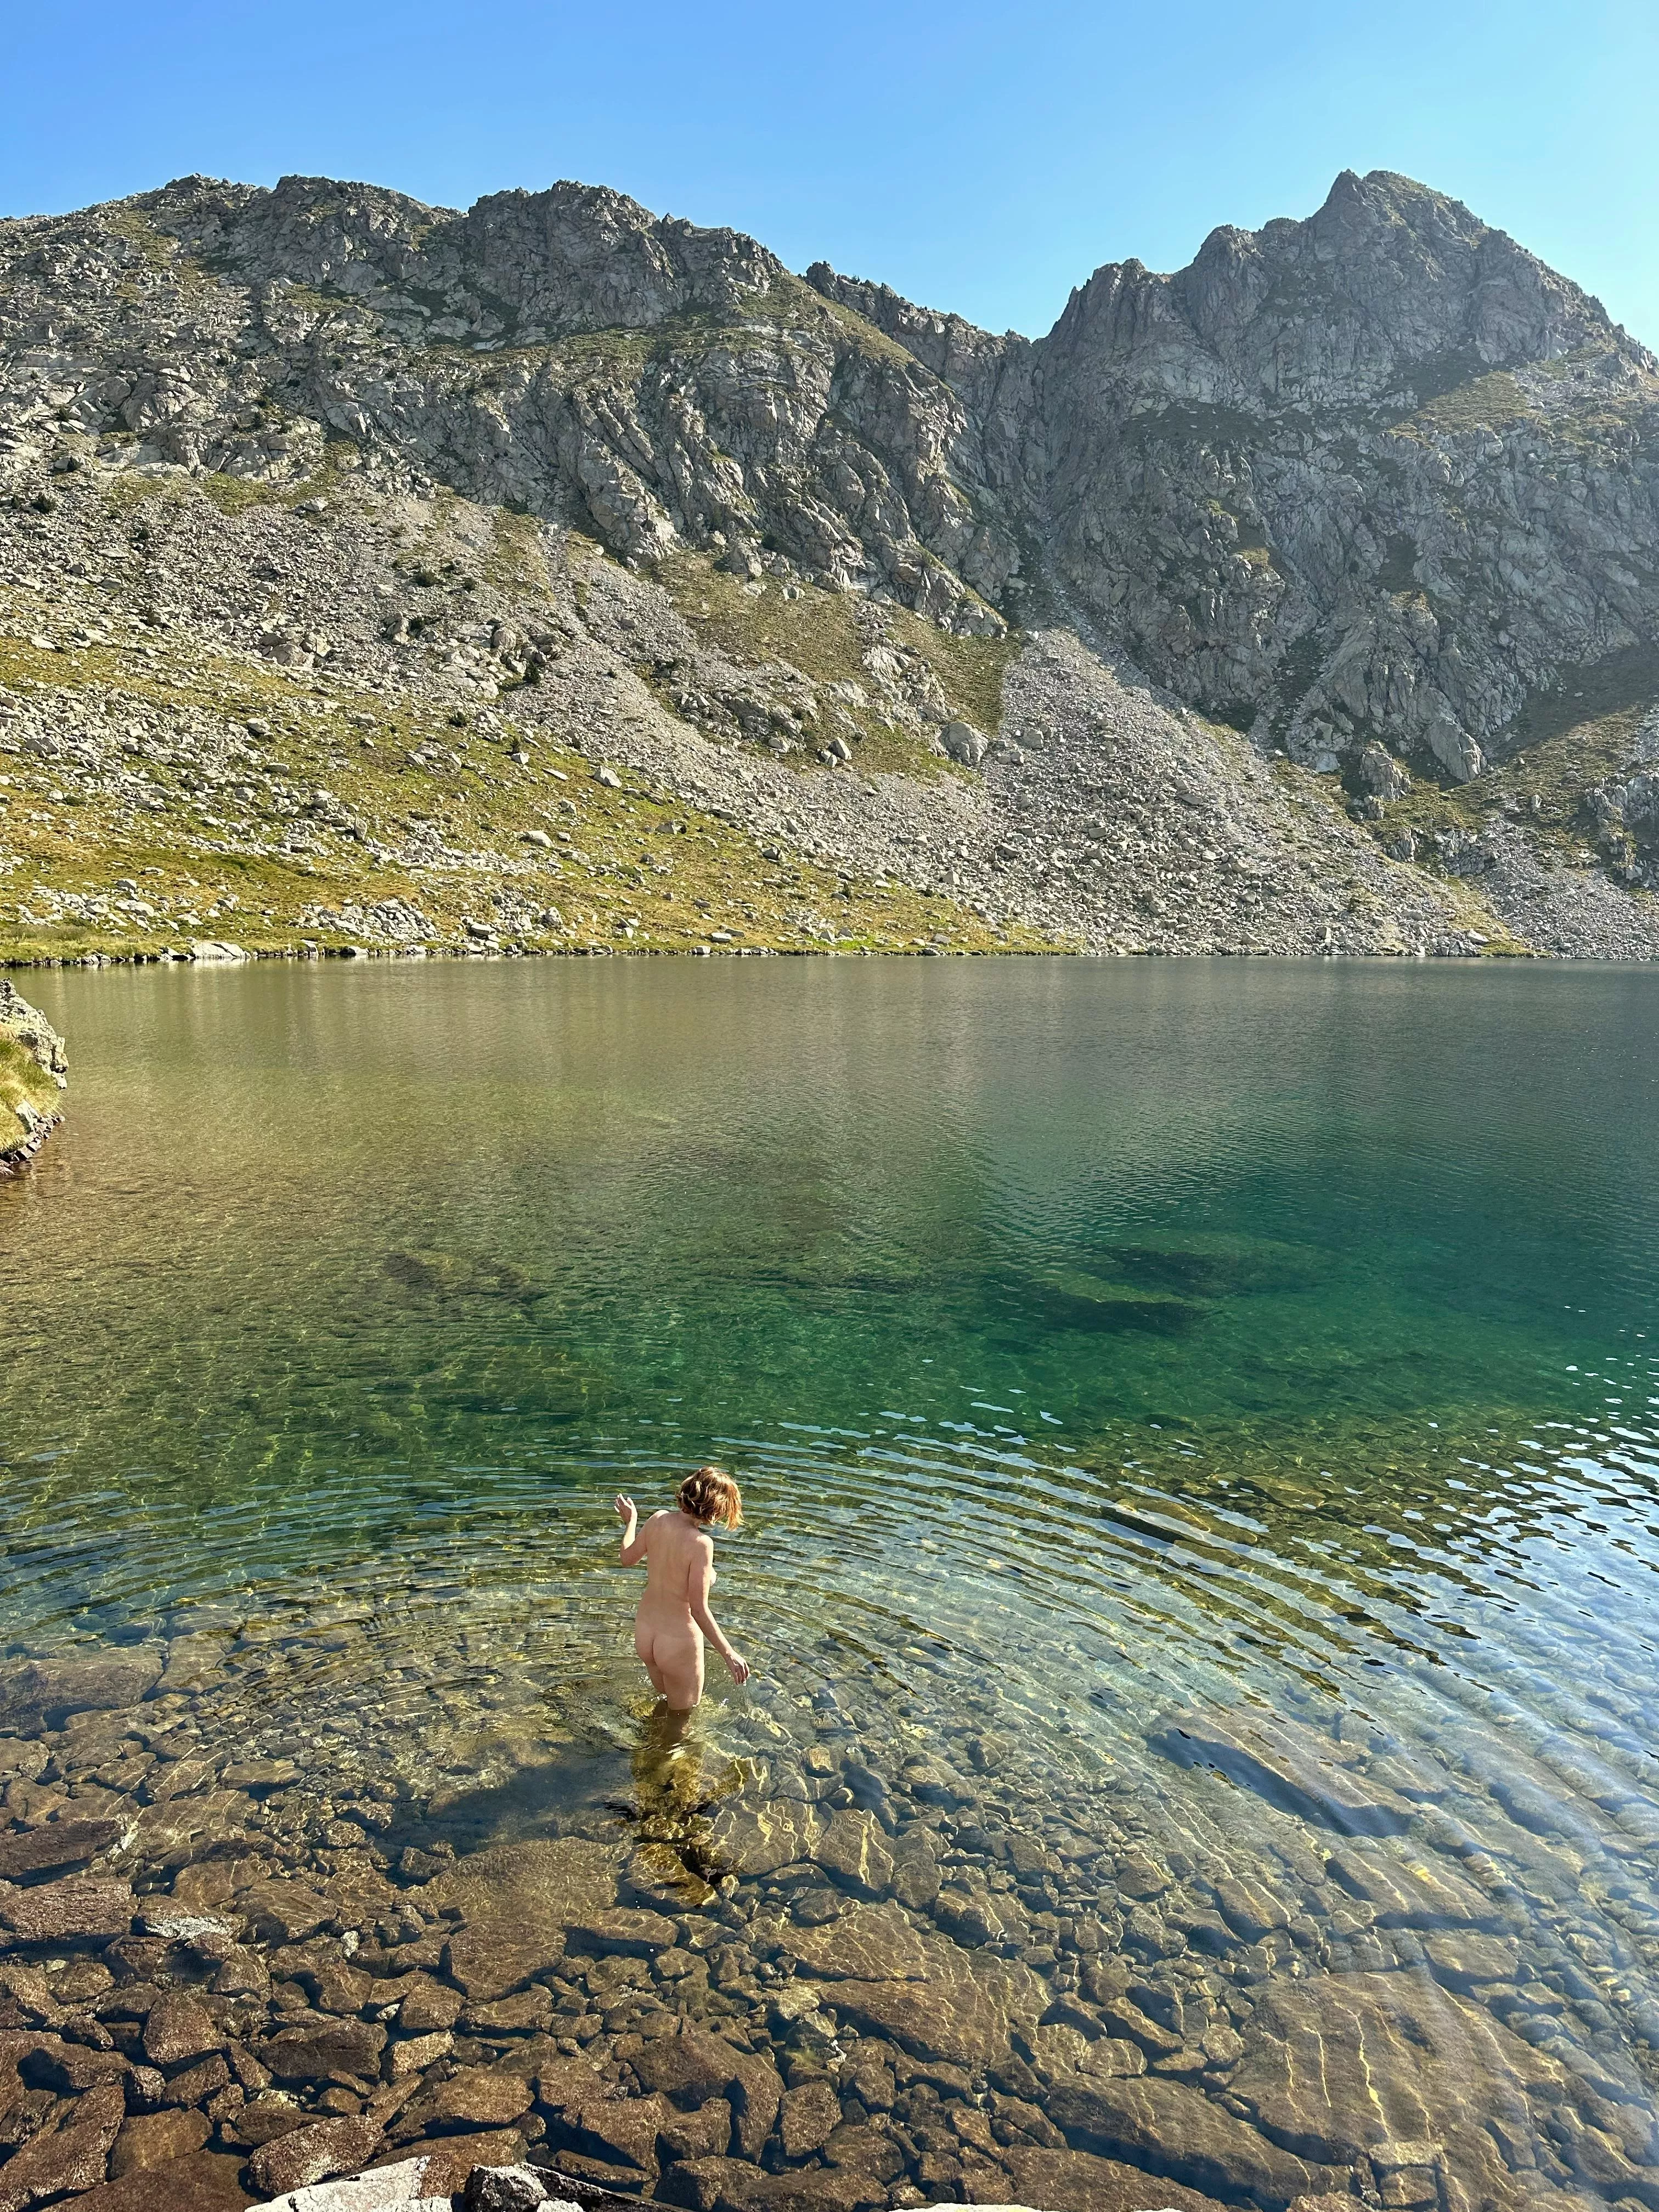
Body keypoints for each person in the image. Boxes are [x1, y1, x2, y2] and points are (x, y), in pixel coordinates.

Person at [615, 1466, 751, 1711]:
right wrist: (729, 1653)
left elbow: (626, 1558)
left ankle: (648, 1746)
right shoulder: (701, 1544)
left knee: (667, 1706)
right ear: (716, 1508)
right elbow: (699, 1610)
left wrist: (631, 1522)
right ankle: (656, 1750)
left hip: (646, 1634)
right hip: (677, 1642)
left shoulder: (657, 1519)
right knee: (683, 1722)